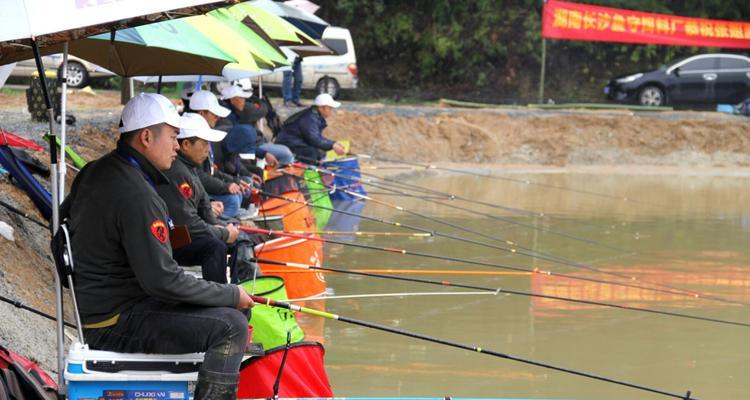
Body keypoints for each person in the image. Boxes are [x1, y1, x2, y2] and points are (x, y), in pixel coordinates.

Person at [59, 93, 253, 400]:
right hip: (116, 320)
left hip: (100, 309)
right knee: (231, 326)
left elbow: (60, 229)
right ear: (147, 137)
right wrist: (231, 294)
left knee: (218, 307)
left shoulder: (96, 170)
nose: (178, 146)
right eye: (174, 137)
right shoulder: (137, 193)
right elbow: (162, 281)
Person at [155, 113, 238, 283]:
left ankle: (235, 290)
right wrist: (222, 233)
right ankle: (219, 301)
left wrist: (219, 226)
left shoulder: (189, 167)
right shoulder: (177, 171)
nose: (208, 149)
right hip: (172, 238)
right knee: (215, 247)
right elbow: (188, 223)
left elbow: (203, 206)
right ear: (186, 144)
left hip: (184, 232)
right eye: (204, 143)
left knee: (237, 241)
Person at [188, 89, 254, 219]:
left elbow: (212, 171)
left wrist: (235, 181)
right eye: (214, 114)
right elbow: (198, 175)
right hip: (198, 192)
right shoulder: (193, 137)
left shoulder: (206, 135)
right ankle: (223, 222)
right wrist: (226, 186)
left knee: (243, 186)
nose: (218, 118)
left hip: (204, 187)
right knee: (233, 200)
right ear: (202, 113)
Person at [217, 85, 280, 168]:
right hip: (240, 153)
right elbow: (239, 144)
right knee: (284, 154)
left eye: (244, 98)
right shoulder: (228, 118)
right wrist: (264, 154)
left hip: (249, 147)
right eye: (241, 98)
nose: (244, 102)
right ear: (232, 100)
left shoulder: (233, 113)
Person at [275, 93, 346, 163]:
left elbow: (316, 138)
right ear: (321, 108)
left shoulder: (315, 116)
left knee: (320, 152)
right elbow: (314, 139)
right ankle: (310, 172)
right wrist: (332, 145)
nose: (331, 111)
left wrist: (333, 144)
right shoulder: (309, 118)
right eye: (329, 108)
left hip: (294, 143)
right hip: (288, 145)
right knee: (312, 152)